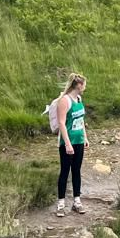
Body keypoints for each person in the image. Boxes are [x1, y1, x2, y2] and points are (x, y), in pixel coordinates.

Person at [50, 73, 88, 217]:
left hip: (79, 140)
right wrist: (67, 144)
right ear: (78, 85)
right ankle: (61, 204)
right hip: (67, 141)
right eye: (83, 84)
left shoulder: (78, 98)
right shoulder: (64, 101)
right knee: (65, 171)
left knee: (77, 170)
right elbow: (61, 123)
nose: (84, 87)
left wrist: (85, 137)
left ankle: (77, 201)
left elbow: (81, 119)